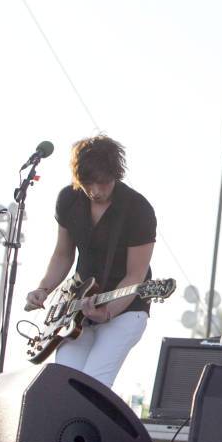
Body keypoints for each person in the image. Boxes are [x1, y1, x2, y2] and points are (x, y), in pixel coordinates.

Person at [25, 135, 157, 388]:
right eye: (88, 184)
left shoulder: (138, 209)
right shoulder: (69, 199)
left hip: (124, 309)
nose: (96, 191)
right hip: (75, 308)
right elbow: (63, 254)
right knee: (62, 383)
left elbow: (135, 276)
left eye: (103, 183)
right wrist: (43, 289)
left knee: (93, 385)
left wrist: (107, 312)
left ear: (115, 175)